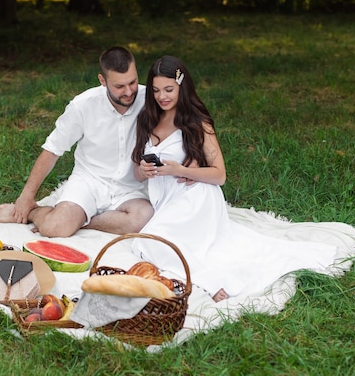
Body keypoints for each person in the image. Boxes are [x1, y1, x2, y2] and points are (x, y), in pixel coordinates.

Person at [131, 56, 338, 302]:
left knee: (151, 242)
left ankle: (207, 280)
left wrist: (181, 170)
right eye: (156, 90)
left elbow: (219, 175)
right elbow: (136, 170)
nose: (162, 96)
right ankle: (204, 273)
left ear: (181, 88)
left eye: (169, 90)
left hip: (195, 198)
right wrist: (143, 171)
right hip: (166, 203)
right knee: (151, 243)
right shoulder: (147, 119)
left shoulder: (198, 122)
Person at [0, 46, 154, 237]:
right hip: (90, 181)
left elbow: (187, 117)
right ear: (102, 80)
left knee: (143, 219)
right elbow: (52, 150)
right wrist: (27, 196)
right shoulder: (82, 105)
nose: (129, 91)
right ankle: (35, 212)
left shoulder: (150, 99)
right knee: (54, 229)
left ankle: (80, 222)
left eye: (132, 82)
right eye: (119, 86)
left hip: (131, 188)